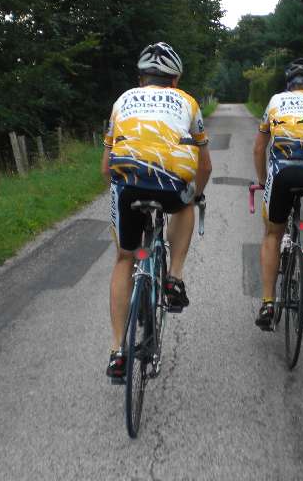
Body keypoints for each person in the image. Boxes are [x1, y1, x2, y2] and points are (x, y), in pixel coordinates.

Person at [101, 42, 212, 380]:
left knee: (124, 258)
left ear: (140, 79)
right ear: (175, 80)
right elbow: (204, 165)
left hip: (129, 182)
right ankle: (174, 279)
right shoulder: (188, 102)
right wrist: (197, 195)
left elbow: (106, 168)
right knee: (186, 203)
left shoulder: (122, 101)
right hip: (170, 182)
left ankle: (118, 351)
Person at [252, 58, 303, 330]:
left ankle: (267, 303)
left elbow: (258, 148)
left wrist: (263, 181)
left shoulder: (276, 101)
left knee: (272, 234)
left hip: (282, 174)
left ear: (288, 86)